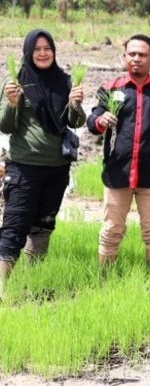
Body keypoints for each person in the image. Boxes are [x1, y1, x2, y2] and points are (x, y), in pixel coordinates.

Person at [87, 34, 150, 282]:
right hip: (116, 174)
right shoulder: (111, 89)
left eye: (142, 55)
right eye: (132, 54)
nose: (137, 59)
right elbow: (92, 120)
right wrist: (101, 120)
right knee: (111, 231)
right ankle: (104, 282)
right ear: (124, 57)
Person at [0, 29, 86, 295]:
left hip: (57, 168)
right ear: (28, 51)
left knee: (43, 225)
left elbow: (76, 122)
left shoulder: (65, 81)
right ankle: (2, 290)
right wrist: (12, 104)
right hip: (24, 167)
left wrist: (74, 104)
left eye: (47, 47)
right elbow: (5, 126)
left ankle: (30, 285)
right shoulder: (16, 82)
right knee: (14, 226)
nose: (42, 53)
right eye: (36, 48)